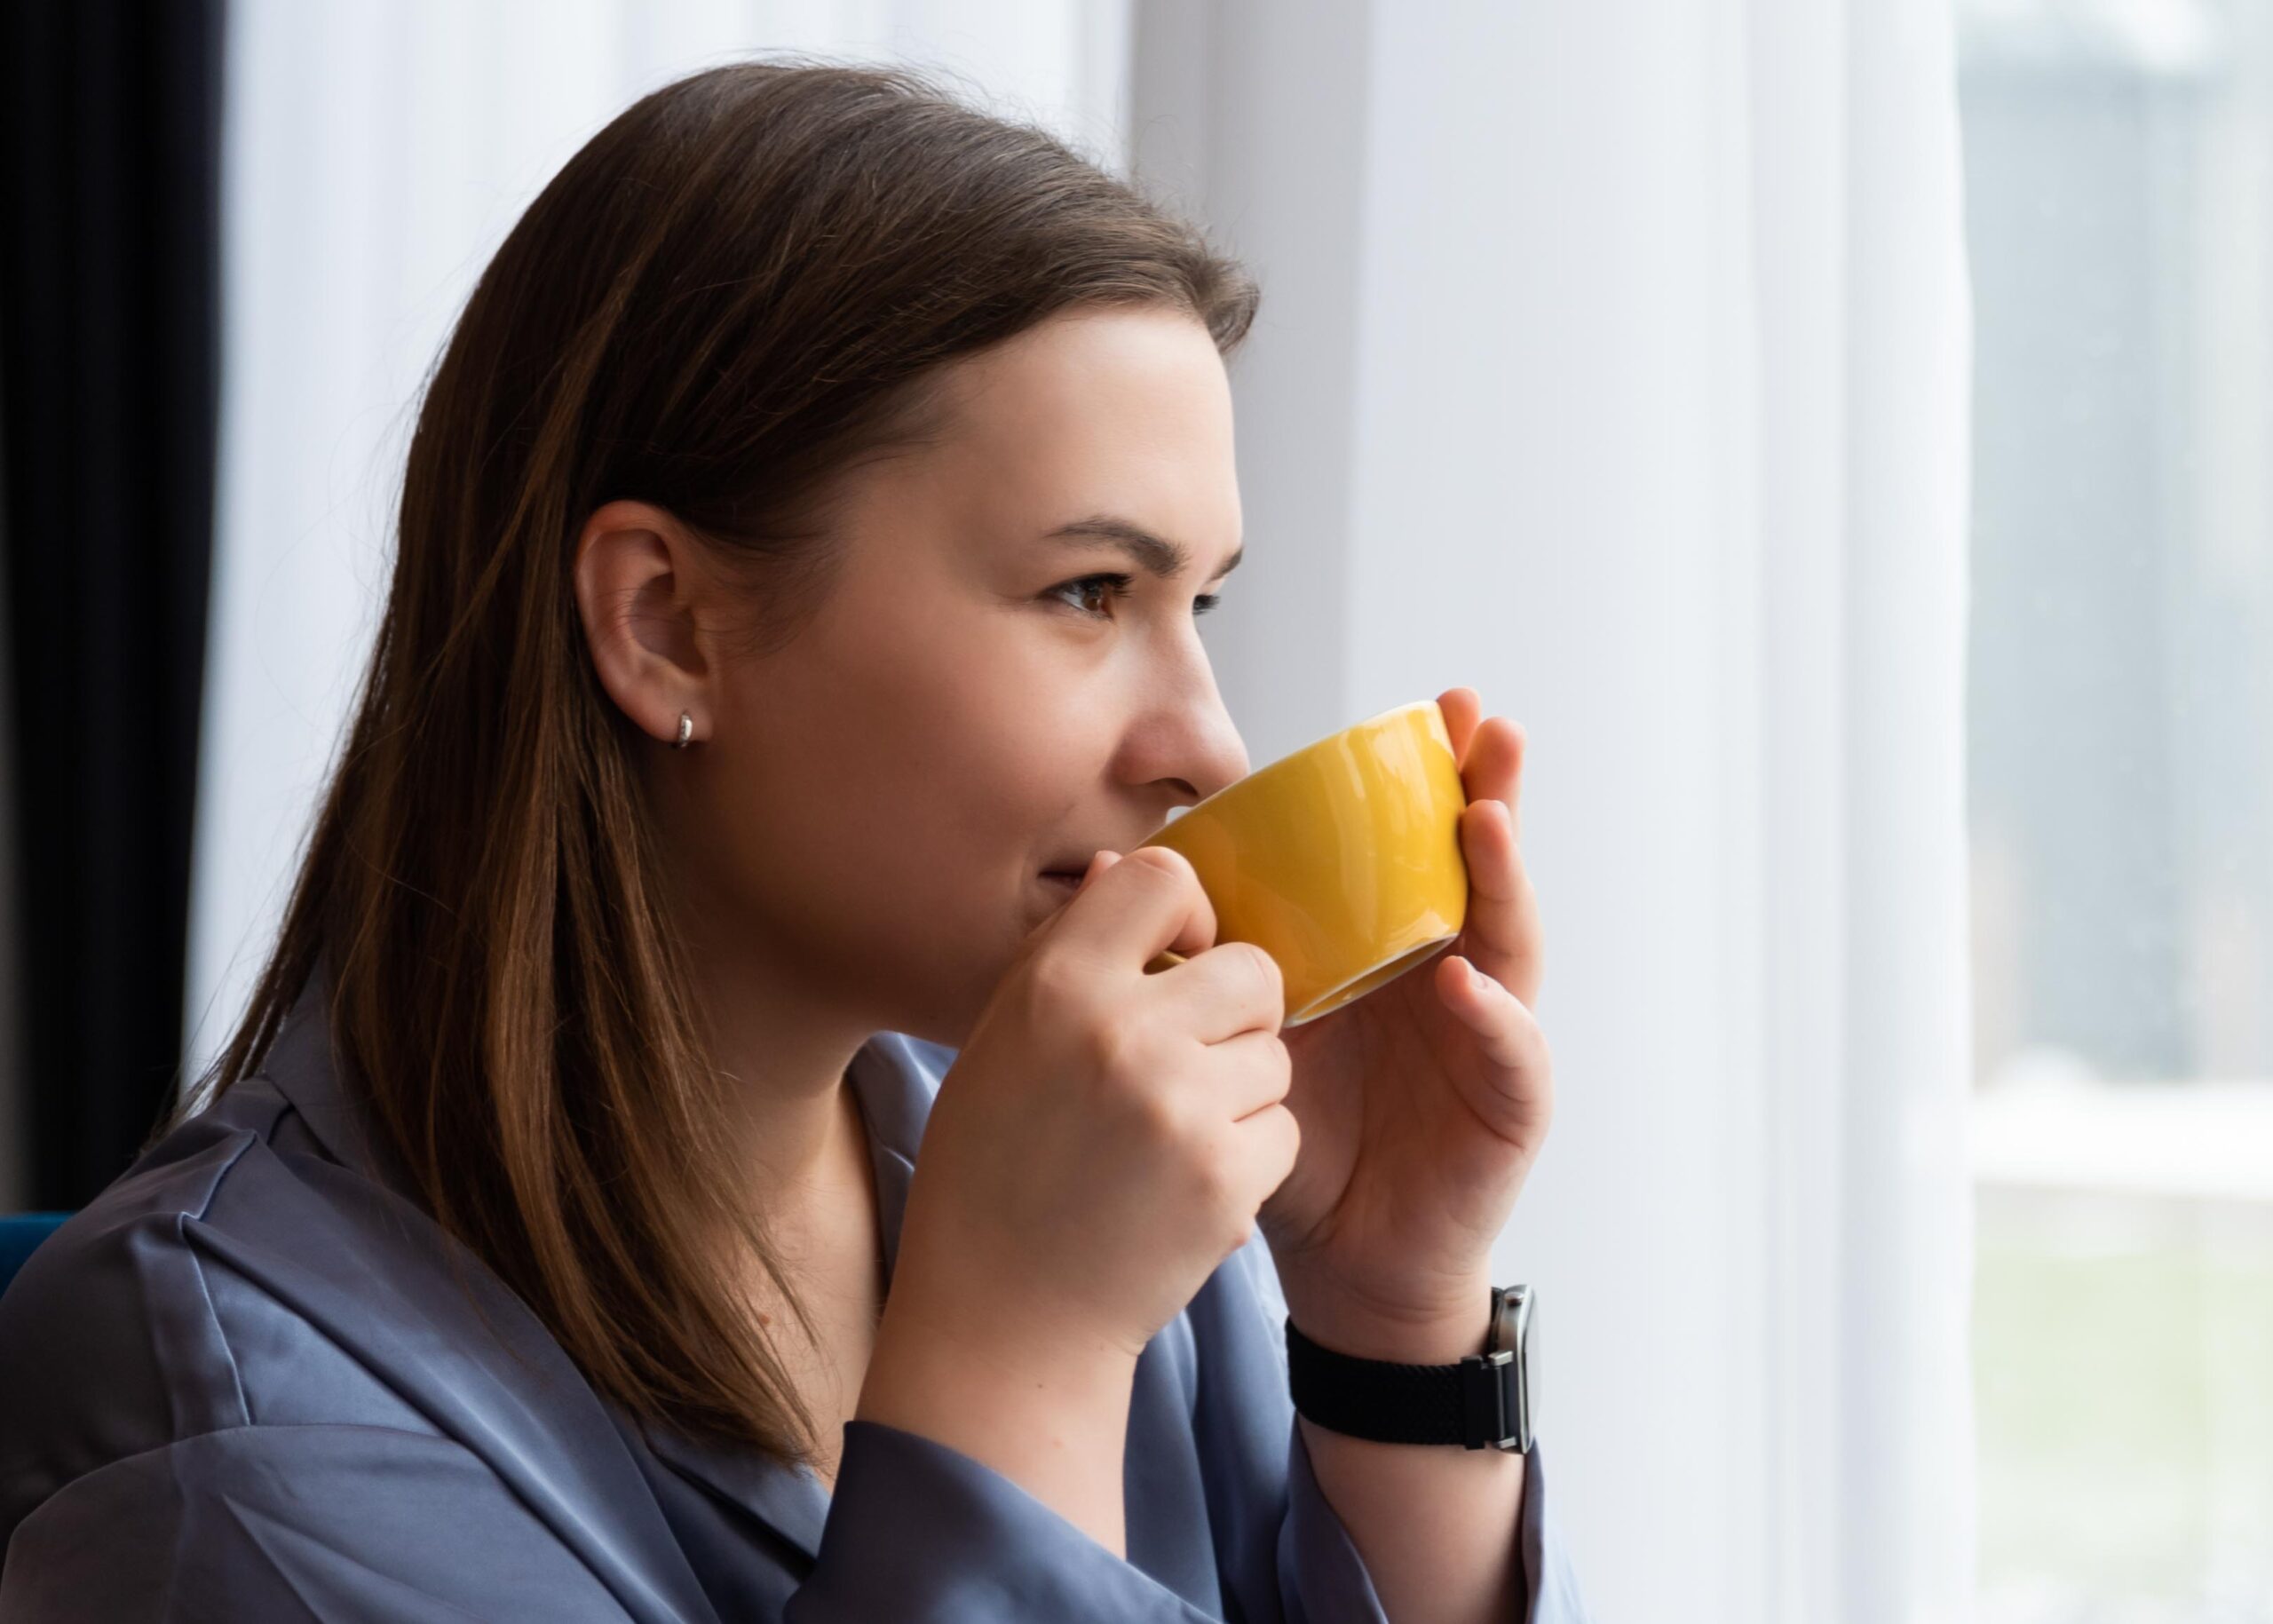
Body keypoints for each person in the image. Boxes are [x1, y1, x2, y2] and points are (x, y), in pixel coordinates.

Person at [0, 57, 1590, 1621]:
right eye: (1089, 593)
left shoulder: (1102, 1180)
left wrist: (1392, 1315)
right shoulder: (221, 1422)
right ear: (667, 624)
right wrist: (1018, 1345)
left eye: (1202, 602)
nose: (1209, 745)